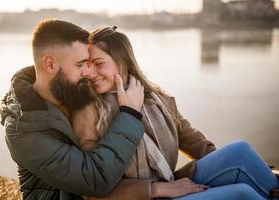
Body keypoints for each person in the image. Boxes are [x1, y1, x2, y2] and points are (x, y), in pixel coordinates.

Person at [71, 26, 279, 200]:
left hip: (172, 182)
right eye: (87, 65)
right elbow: (91, 187)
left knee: (240, 151)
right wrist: (156, 189)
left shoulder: (155, 98)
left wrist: (237, 168)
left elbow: (193, 140)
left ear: (122, 60)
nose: (90, 72)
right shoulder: (88, 111)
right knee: (241, 193)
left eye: (98, 64)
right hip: (142, 196)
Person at [0, 19, 147, 200]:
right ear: (50, 65)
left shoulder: (73, 89)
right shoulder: (23, 129)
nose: (88, 72)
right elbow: (94, 179)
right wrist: (130, 115)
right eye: (80, 64)